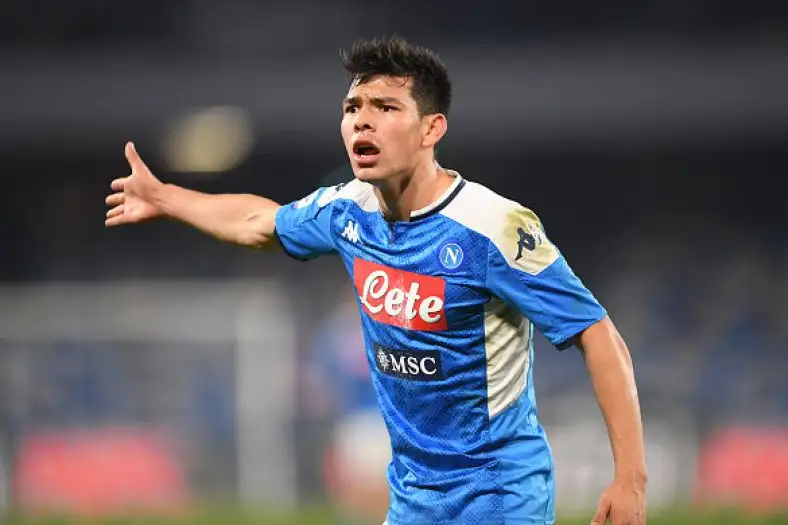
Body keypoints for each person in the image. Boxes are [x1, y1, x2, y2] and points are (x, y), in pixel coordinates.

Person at [105, 36, 647, 525]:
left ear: (432, 128)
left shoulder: (494, 228)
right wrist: (165, 198)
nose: (362, 122)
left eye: (386, 108)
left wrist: (630, 479)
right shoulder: (350, 210)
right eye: (353, 108)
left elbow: (598, 335)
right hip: (413, 500)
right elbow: (256, 222)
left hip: (497, 497)